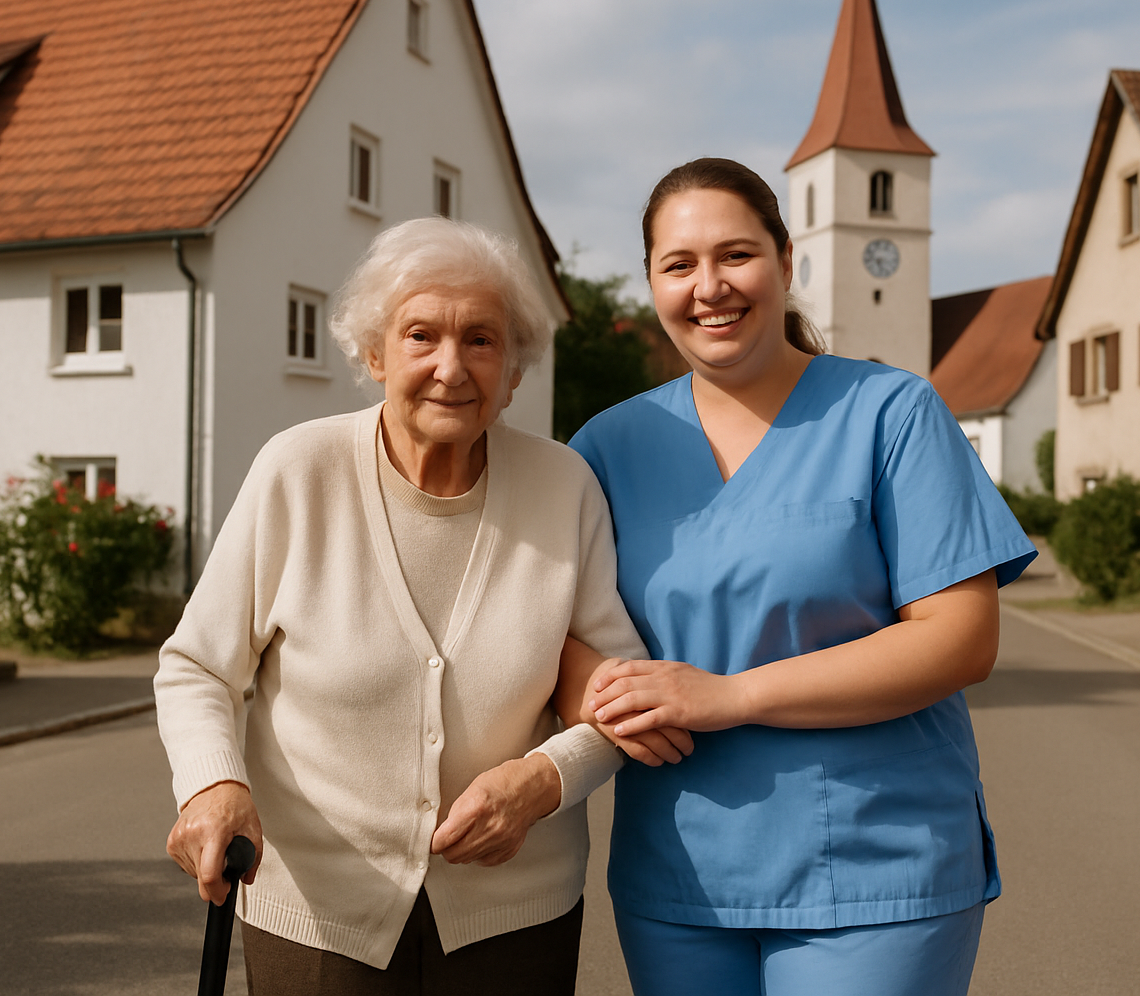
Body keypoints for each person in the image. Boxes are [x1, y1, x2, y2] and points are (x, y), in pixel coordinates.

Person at [155, 217, 690, 996]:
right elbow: (197, 664)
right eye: (420, 336)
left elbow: (621, 697)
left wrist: (542, 779)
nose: (452, 367)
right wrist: (213, 785)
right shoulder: (298, 473)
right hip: (319, 913)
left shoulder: (563, 487)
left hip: (516, 917)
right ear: (373, 355)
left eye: (481, 339)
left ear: (513, 371)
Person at [563, 158, 1036, 996]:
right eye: (679, 265)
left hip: (875, 869)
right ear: (652, 284)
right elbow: (549, 620)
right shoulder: (605, 447)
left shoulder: (892, 413)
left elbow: (962, 639)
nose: (710, 286)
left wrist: (728, 696)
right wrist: (591, 691)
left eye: (736, 255)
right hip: (680, 874)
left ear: (787, 260)